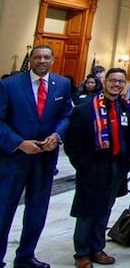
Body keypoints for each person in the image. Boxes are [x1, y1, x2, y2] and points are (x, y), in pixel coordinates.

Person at [0, 45, 73, 268]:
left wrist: (57, 135)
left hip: (44, 159)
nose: (42, 60)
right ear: (30, 59)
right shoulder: (9, 85)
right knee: (4, 210)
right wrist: (19, 143)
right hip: (14, 158)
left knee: (37, 210)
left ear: (53, 60)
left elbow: (66, 114)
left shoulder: (62, 84)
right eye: (37, 57)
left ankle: (26, 256)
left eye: (46, 57)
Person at [65, 67, 130, 268]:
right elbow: (73, 142)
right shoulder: (86, 108)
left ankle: (97, 247)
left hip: (116, 168)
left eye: (121, 81)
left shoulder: (126, 108)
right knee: (87, 211)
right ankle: (82, 253)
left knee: (105, 209)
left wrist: (125, 164)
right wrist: (83, 165)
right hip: (92, 168)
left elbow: (128, 137)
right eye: (113, 80)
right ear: (105, 82)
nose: (117, 84)